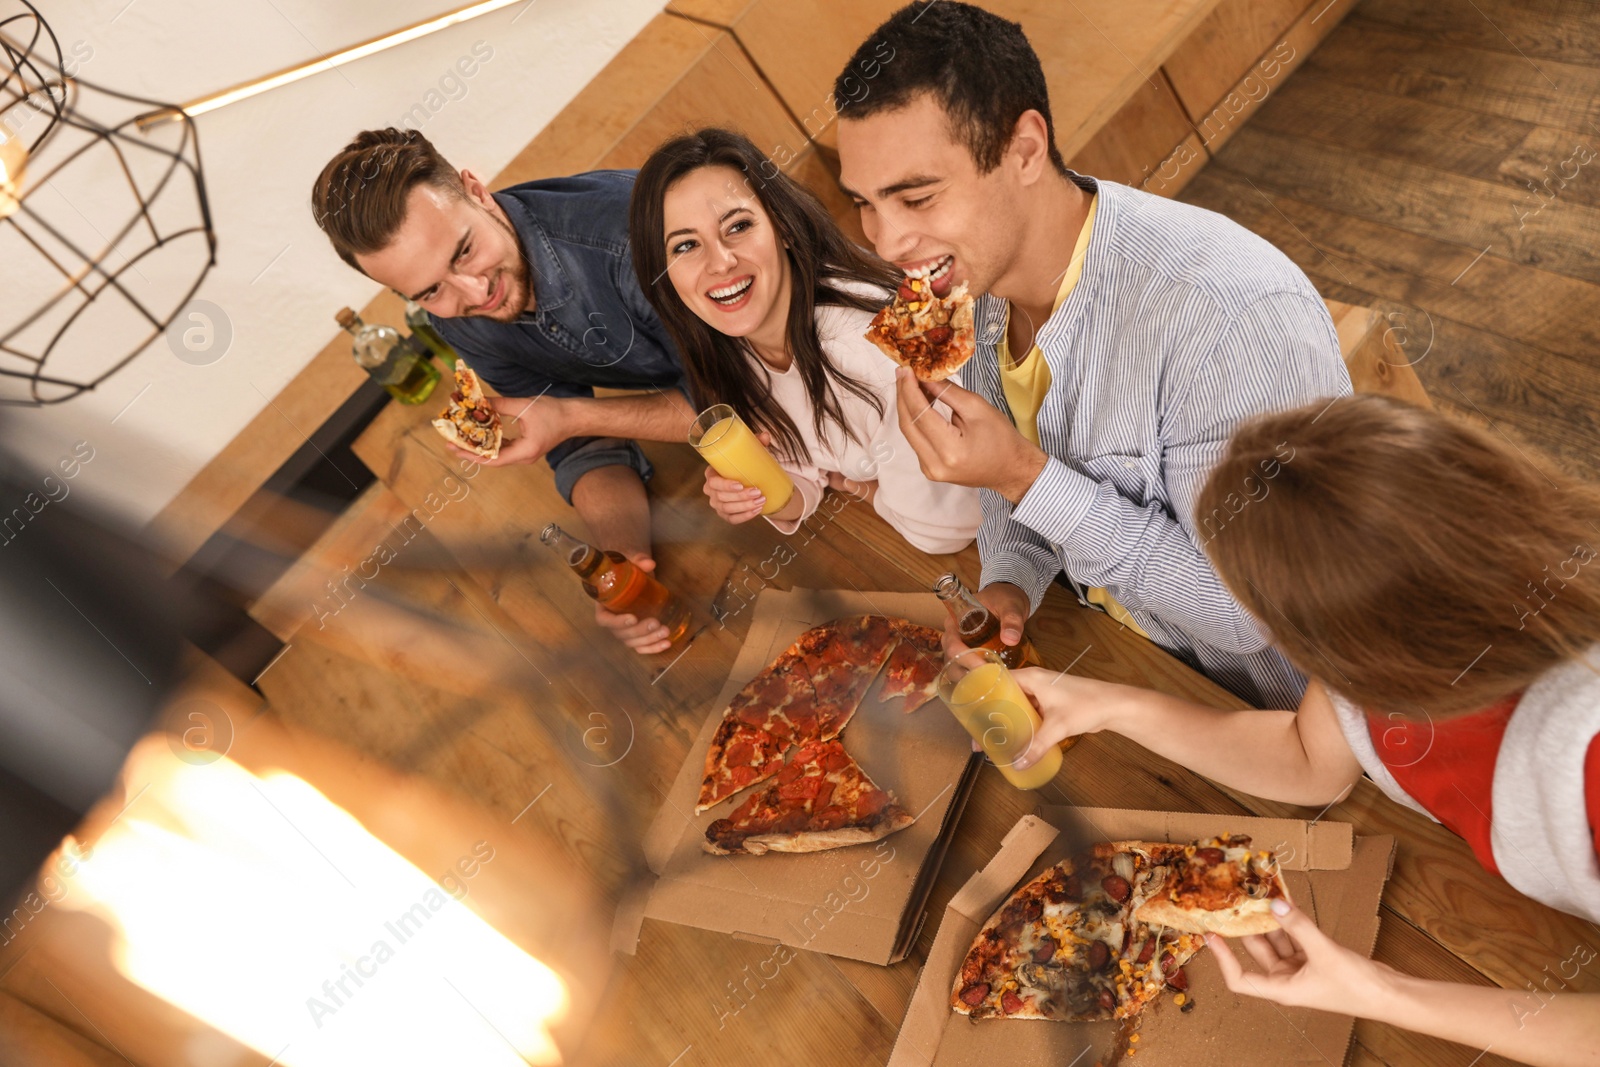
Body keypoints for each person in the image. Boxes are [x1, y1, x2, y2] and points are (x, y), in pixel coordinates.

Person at [1007, 394, 1600, 1066]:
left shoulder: (1589, 746)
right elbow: (1306, 757)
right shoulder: (1395, 642)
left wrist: (1381, 989)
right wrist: (1111, 704)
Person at [831, 2, 1351, 708]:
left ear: (1023, 149)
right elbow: (1013, 494)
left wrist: (1022, 473)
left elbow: (1249, 615)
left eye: (916, 197)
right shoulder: (981, 281)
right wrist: (1010, 578)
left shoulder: (1221, 320)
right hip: (1119, 659)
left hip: (1283, 713)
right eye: (864, 202)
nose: (887, 243)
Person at [311, 128, 695, 655]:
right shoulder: (458, 321)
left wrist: (573, 417)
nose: (474, 292)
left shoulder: (629, 239)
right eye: (429, 290)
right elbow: (581, 450)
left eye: (464, 251)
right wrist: (621, 565)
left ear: (476, 191)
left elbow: (746, 402)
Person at [628, 127, 981, 555]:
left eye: (738, 226)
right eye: (686, 246)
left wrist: (864, 491)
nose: (720, 261)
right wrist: (765, 492)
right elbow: (806, 464)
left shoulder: (867, 352)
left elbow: (949, 528)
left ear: (784, 229)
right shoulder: (736, 350)